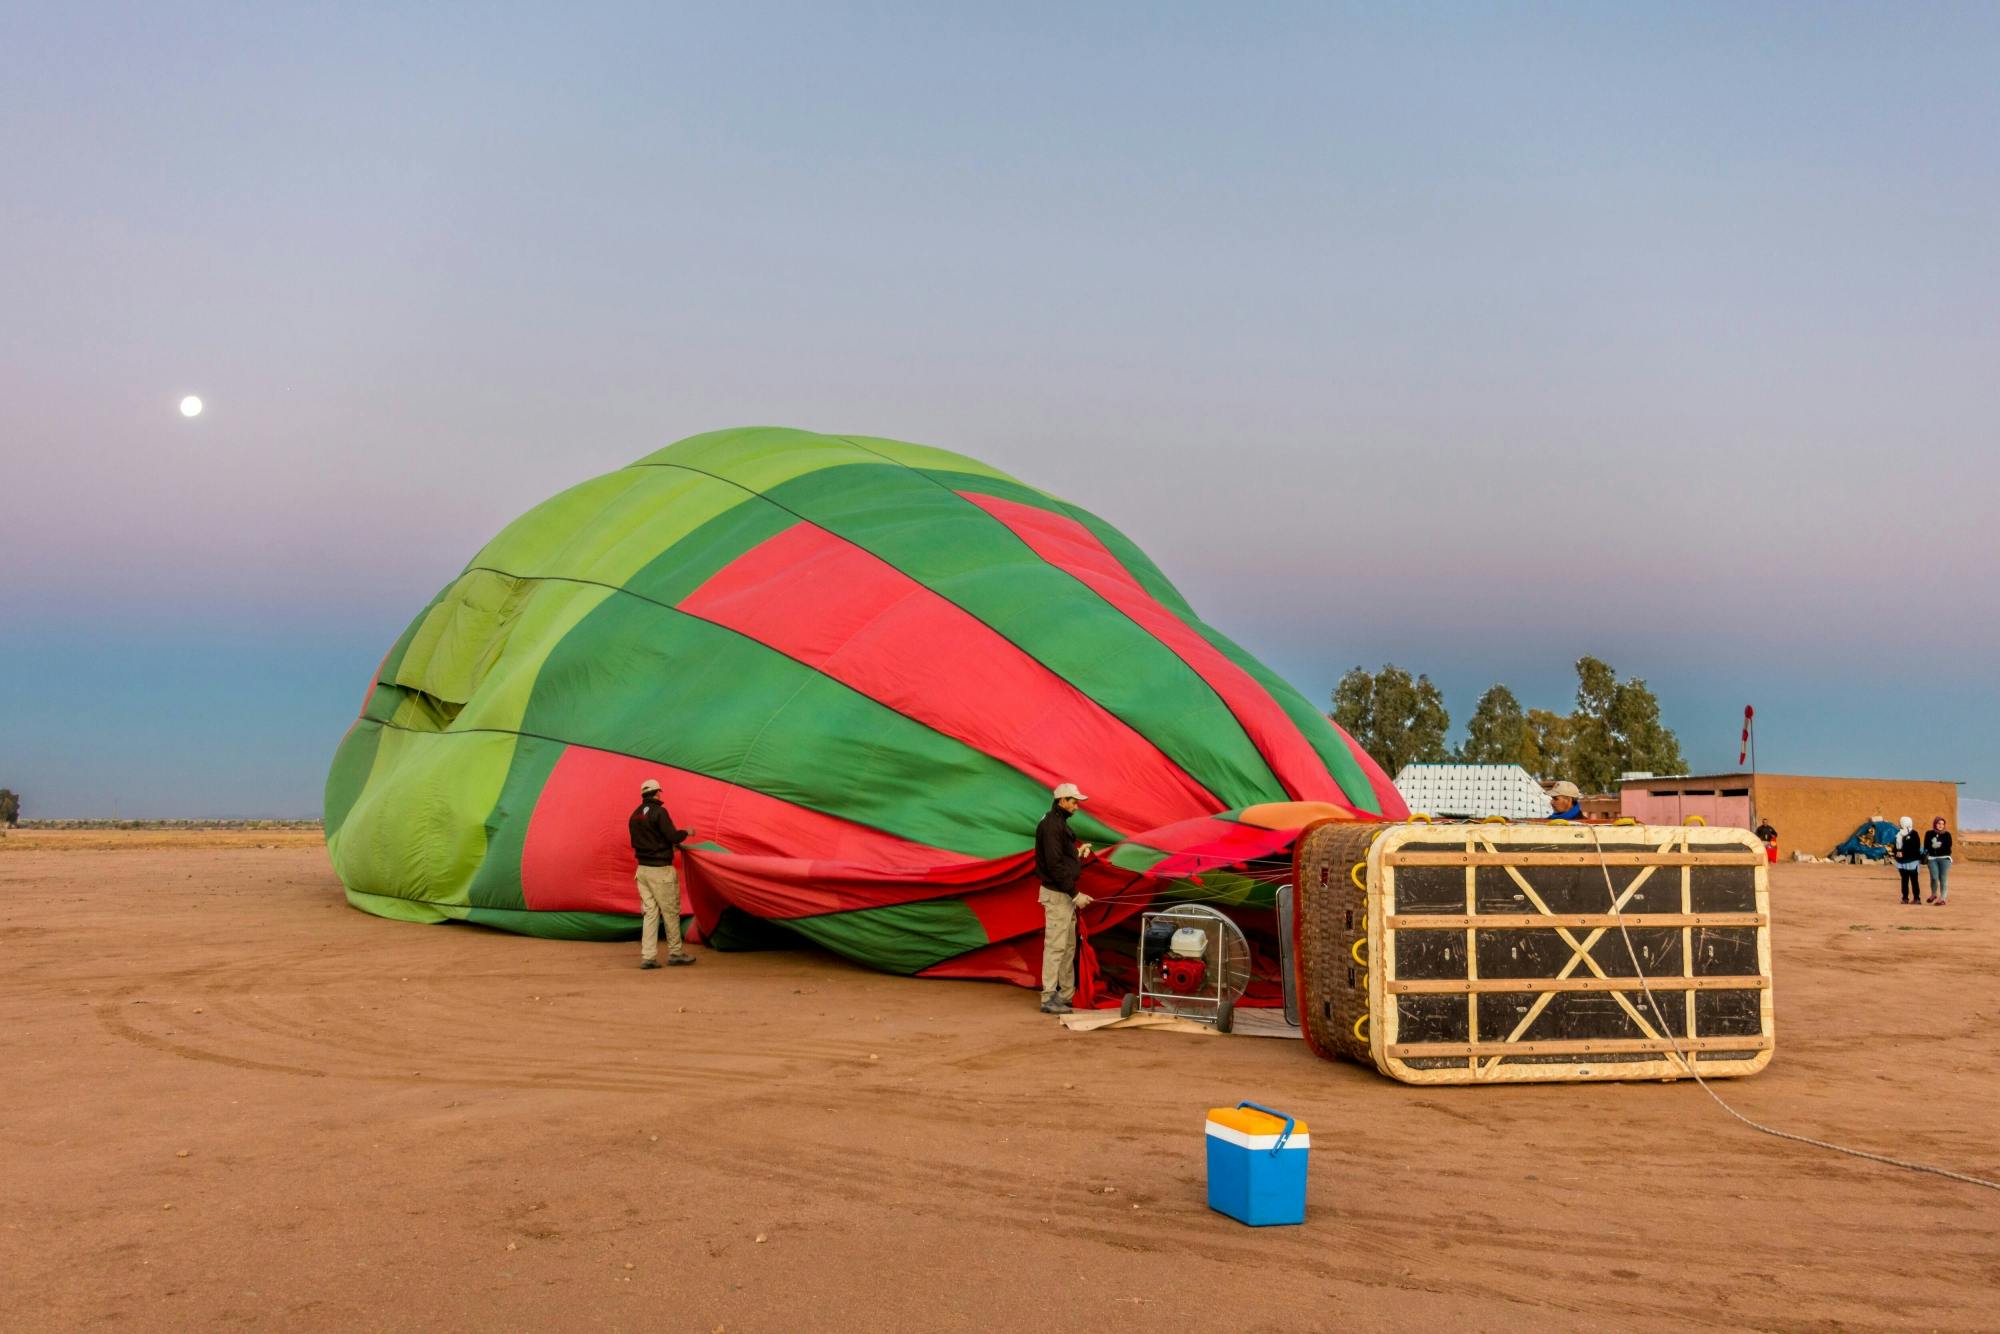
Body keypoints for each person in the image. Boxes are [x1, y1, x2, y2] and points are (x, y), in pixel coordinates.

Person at [1034, 782, 1095, 1014]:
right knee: (1055, 948)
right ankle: (1049, 998)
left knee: (1068, 947)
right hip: (1058, 895)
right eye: (1074, 801)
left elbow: (1060, 858)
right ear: (1062, 801)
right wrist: (1075, 894)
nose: (1077, 806)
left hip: (1064, 895)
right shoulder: (1052, 826)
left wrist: (1077, 853)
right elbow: (1054, 865)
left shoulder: (1057, 824)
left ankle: (1065, 995)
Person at [629, 778, 695, 969]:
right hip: (661, 871)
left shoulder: (634, 815)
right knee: (670, 912)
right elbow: (672, 836)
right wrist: (687, 832)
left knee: (650, 913)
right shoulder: (660, 812)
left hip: (642, 870)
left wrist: (664, 847)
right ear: (657, 793)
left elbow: (644, 841)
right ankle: (675, 953)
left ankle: (648, 957)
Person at [1891, 816, 1926, 906]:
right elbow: (1894, 847)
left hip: (1912, 861)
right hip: (1901, 862)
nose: (1899, 824)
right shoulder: (1898, 834)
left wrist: (1903, 852)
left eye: (1900, 822)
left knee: (1914, 880)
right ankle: (1905, 898)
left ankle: (1917, 899)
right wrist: (1896, 853)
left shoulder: (1914, 834)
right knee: (1904, 880)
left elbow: (1915, 847)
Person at [1924, 818, 1954, 905]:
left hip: (1944, 859)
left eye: (1942, 824)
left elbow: (1948, 846)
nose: (1940, 825)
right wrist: (1933, 845)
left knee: (1943, 878)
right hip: (1932, 859)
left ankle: (1943, 898)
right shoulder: (1929, 833)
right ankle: (1933, 894)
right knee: (1934, 877)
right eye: (1938, 823)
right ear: (1935, 824)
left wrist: (1937, 845)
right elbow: (1926, 845)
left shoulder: (1947, 834)